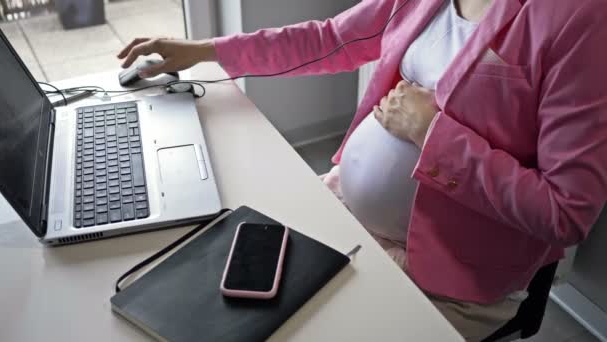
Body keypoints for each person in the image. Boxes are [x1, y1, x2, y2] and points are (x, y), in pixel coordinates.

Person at [117, 0, 607, 340]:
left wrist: (433, 133)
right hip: (346, 208)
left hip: (450, 276)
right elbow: (330, 39)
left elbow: (565, 212)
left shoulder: (579, 20)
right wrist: (205, 51)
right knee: (216, 293)